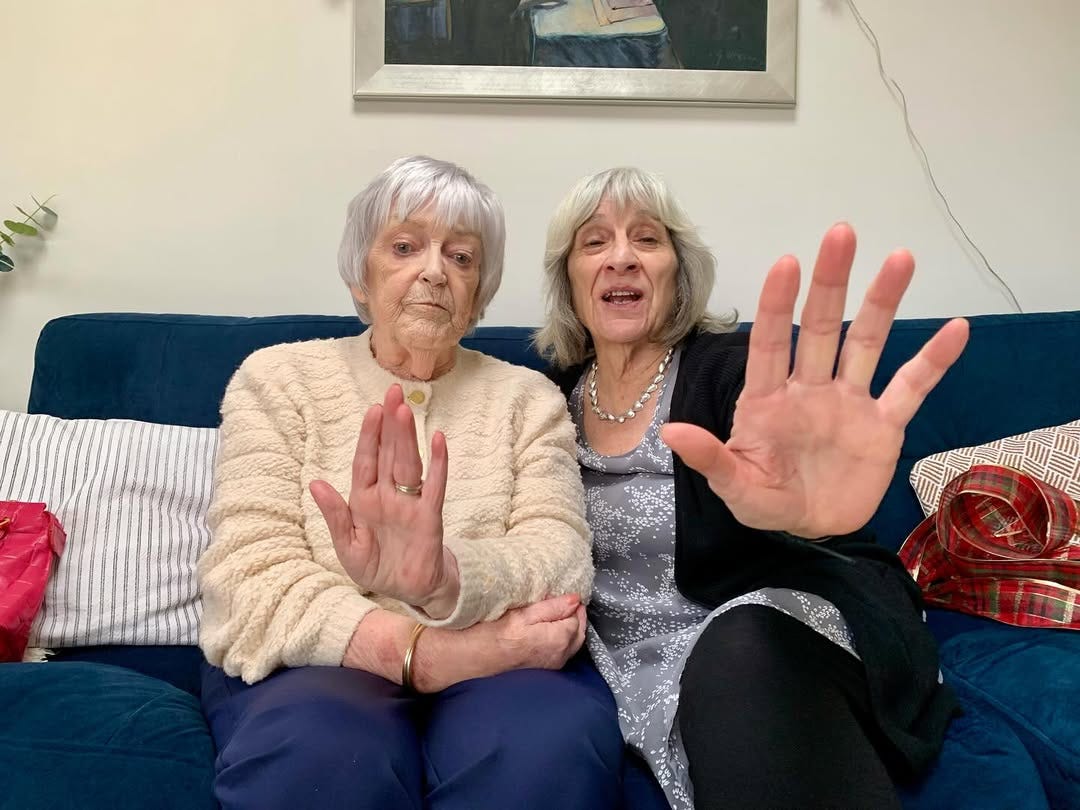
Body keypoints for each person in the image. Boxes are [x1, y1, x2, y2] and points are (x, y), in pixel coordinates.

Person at [197, 156, 624, 810]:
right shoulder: (277, 380)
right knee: (321, 754)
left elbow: (561, 560)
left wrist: (442, 580)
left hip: (506, 675)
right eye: (404, 247)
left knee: (546, 749)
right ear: (360, 274)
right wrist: (438, 655)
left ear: (479, 293)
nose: (434, 271)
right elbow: (249, 580)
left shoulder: (527, 398)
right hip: (319, 663)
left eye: (461, 256)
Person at [536, 167, 969, 810]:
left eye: (647, 239)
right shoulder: (548, 398)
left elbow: (779, 451)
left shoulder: (728, 369)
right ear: (568, 279)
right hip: (623, 660)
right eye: (594, 242)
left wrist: (807, 512)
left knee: (739, 646)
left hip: (773, 621)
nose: (621, 257)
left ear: (678, 273)